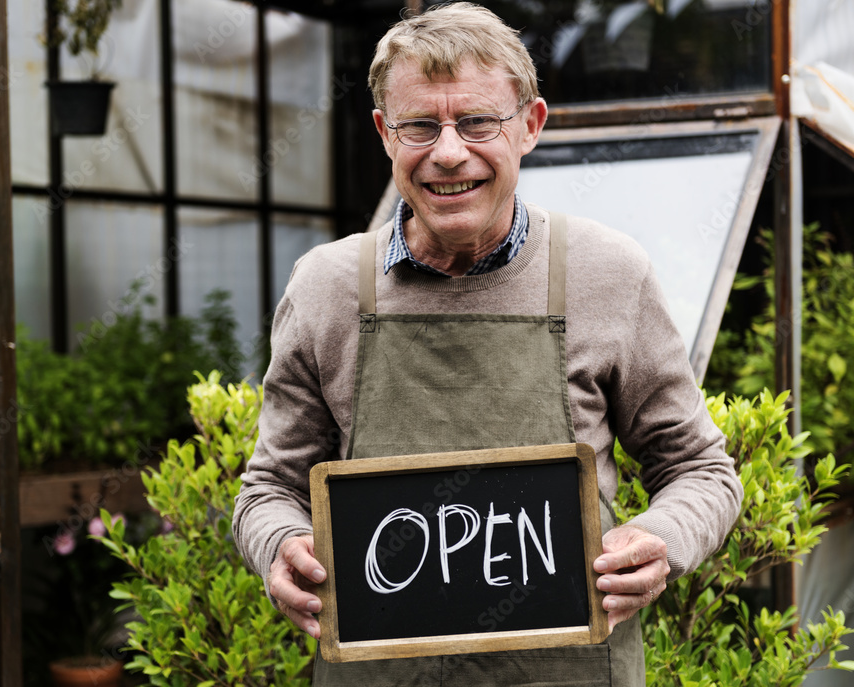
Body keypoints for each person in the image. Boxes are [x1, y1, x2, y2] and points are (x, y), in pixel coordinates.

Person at [232, 3, 743, 685]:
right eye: (420, 125)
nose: (448, 152)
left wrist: (664, 539)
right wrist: (279, 544)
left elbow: (702, 470)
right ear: (386, 134)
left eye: (477, 121)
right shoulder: (326, 288)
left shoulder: (608, 274)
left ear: (530, 126)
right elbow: (267, 487)